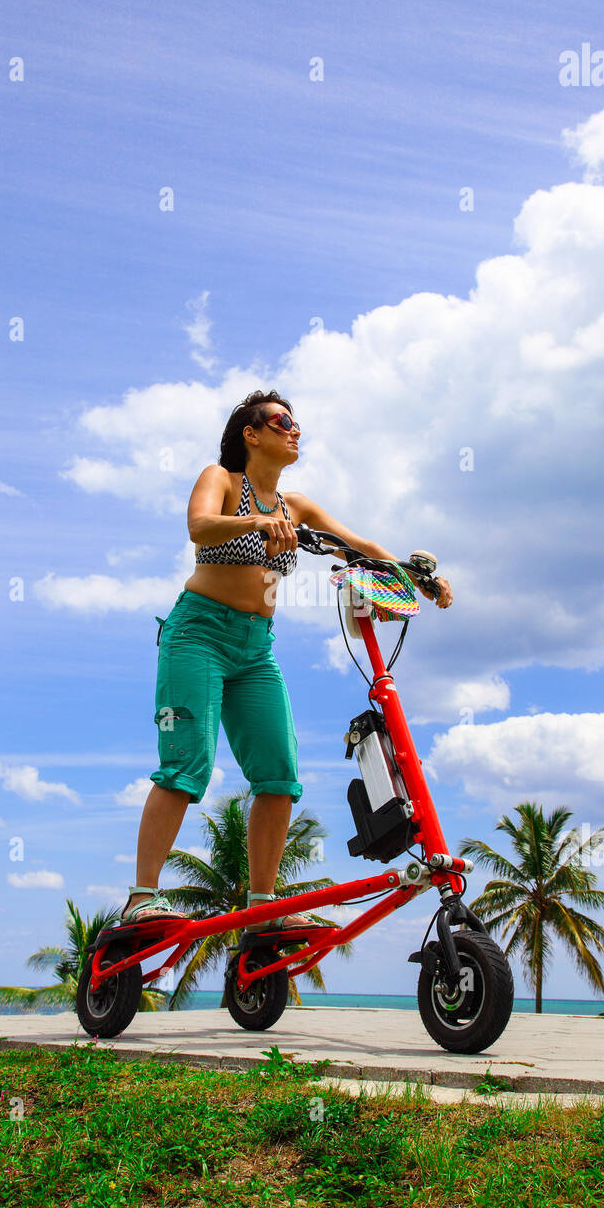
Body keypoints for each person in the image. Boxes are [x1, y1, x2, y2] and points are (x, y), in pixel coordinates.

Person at [123, 389, 453, 929]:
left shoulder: (296, 507)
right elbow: (200, 527)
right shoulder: (224, 480)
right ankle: (141, 898)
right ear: (251, 434)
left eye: (297, 424)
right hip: (198, 634)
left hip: (256, 648)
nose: (294, 430)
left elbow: (355, 545)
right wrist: (256, 524)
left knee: (279, 777)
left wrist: (417, 574)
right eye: (281, 421)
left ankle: (261, 912)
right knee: (186, 766)